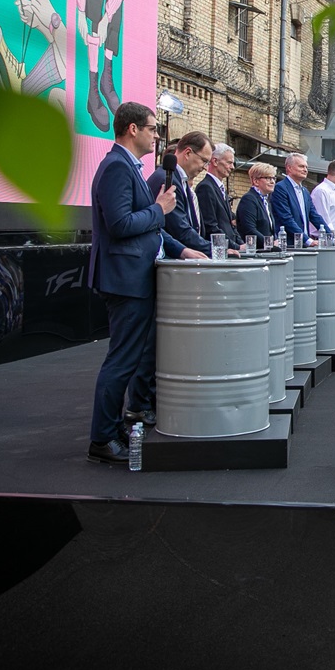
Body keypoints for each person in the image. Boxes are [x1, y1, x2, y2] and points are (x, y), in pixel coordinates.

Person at [86, 103, 203, 464]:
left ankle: (115, 426)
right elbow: (121, 225)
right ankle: (102, 438)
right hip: (124, 279)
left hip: (135, 276)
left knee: (131, 358)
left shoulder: (130, 168)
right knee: (121, 361)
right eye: (153, 129)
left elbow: (149, 228)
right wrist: (160, 210)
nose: (157, 135)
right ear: (133, 129)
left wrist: (181, 250)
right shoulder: (116, 167)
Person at [145, 132, 214, 257]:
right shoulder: (167, 179)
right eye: (204, 161)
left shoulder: (180, 180)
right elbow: (179, 229)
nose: (204, 168)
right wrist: (215, 249)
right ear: (188, 153)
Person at [271, 152, 328, 246]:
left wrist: (331, 237)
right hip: (288, 245)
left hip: (304, 245)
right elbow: (286, 218)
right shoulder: (280, 188)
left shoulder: (305, 191)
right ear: (289, 168)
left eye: (306, 167)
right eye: (301, 166)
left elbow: (314, 216)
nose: (305, 170)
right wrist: (308, 240)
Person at [195, 142, 241, 249]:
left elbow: (230, 225)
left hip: (229, 249)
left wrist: (242, 244)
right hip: (219, 250)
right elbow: (210, 226)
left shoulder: (220, 188)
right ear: (215, 161)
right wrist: (234, 246)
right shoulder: (205, 187)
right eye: (229, 163)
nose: (232, 167)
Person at [235, 162, 278, 246]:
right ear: (256, 181)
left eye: (273, 178)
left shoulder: (266, 201)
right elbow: (249, 229)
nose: (272, 182)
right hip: (255, 251)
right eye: (268, 178)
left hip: (267, 251)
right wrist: (270, 243)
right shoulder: (249, 199)